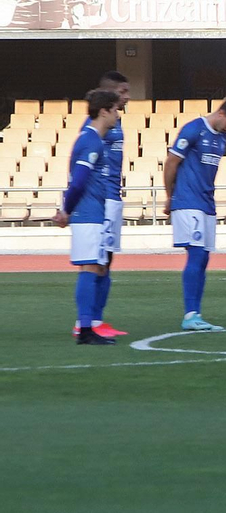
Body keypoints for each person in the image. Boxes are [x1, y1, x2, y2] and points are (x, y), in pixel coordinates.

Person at [165, 99, 226, 331]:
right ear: (221, 113)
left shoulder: (223, 137)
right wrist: (170, 196)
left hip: (207, 202)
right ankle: (190, 315)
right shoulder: (193, 129)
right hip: (188, 200)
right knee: (197, 255)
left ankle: (196, 314)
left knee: (204, 259)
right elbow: (171, 163)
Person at [51, 89, 123, 344]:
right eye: (115, 109)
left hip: (92, 213)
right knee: (90, 267)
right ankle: (85, 330)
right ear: (104, 111)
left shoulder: (92, 140)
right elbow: (79, 182)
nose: (117, 114)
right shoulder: (91, 141)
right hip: (88, 215)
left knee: (92, 267)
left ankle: (87, 328)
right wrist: (68, 211)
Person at [72, 70, 131, 338]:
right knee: (95, 262)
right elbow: (81, 167)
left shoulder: (114, 124)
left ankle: (95, 320)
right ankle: (86, 322)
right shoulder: (95, 129)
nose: (126, 98)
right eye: (123, 92)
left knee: (105, 262)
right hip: (100, 200)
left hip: (111, 197)